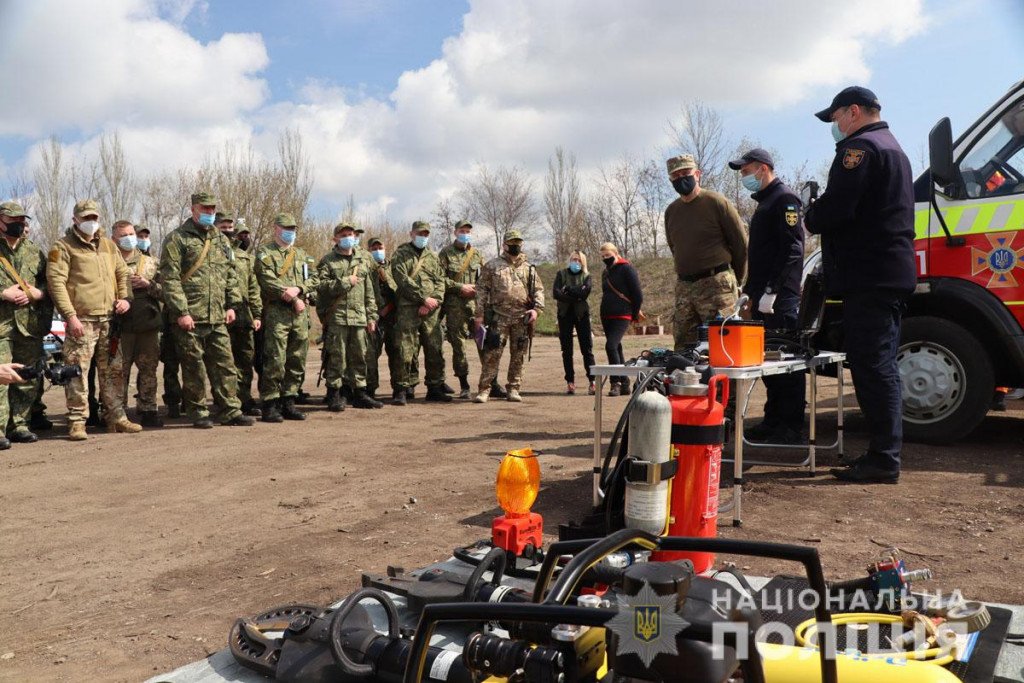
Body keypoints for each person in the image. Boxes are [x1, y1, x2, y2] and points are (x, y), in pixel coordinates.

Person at [805, 86, 916, 484]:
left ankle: (884, 459)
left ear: (853, 112)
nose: (834, 127)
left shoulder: (861, 150)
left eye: (835, 118)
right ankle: (882, 453)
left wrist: (811, 215)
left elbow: (838, 208)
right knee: (879, 363)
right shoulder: (893, 148)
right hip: (885, 274)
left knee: (874, 366)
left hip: (870, 275)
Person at [728, 148, 806, 444]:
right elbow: (760, 256)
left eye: (746, 172)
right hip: (761, 297)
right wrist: (748, 292)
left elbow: (792, 250)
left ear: (762, 168)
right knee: (768, 362)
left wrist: (773, 291)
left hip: (780, 300)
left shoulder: (784, 199)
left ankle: (791, 424)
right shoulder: (765, 203)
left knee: (786, 364)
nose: (744, 177)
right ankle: (774, 420)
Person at [47, 199, 142, 439]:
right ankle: (78, 422)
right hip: (82, 321)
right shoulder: (63, 247)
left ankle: (116, 417)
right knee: (76, 373)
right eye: (86, 218)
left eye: (94, 218)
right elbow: (56, 283)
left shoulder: (109, 246)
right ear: (75, 220)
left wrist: (124, 298)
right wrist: (70, 316)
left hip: (110, 321)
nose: (91, 222)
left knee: (113, 371)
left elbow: (122, 273)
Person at [160, 191, 255, 429]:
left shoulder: (221, 240)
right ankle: (198, 411)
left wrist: (231, 304)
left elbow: (230, 273)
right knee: (194, 367)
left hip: (217, 317)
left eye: (212, 209)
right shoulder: (177, 239)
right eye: (205, 209)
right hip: (190, 317)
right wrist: (182, 311)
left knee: (225, 364)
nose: (210, 213)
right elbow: (169, 279)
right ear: (193, 210)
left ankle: (229, 410)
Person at [664, 153, 748, 349]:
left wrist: (736, 279)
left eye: (686, 173)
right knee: (684, 348)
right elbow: (674, 247)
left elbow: (740, 244)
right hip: (685, 287)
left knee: (723, 346)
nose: (681, 179)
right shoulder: (671, 211)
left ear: (697, 174)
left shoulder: (716, 202)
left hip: (717, 285)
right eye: (675, 176)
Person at [254, 213, 319, 421]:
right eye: (286, 228)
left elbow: (315, 279)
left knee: (296, 359)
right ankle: (270, 404)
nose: (290, 232)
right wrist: (292, 298)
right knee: (275, 359)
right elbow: (267, 281)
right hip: (277, 315)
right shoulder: (265, 253)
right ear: (276, 229)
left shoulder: (303, 256)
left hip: (300, 317)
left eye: (293, 229)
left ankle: (288, 401)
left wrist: (299, 288)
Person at [473, 230, 544, 403]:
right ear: (504, 244)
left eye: (518, 242)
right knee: (492, 354)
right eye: (512, 242)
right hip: (499, 317)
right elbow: (481, 290)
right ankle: (484, 390)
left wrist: (536, 310)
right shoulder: (492, 266)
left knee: (518, 355)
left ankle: (513, 388)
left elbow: (538, 291)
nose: (516, 246)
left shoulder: (529, 268)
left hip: (522, 318)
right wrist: (479, 314)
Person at [317, 223, 382, 410]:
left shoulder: (362, 261)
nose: (348, 237)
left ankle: (360, 393)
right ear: (335, 239)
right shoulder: (328, 261)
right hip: (337, 318)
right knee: (337, 357)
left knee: (360, 356)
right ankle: (334, 394)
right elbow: (321, 287)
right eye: (344, 234)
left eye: (351, 234)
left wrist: (371, 317)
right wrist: (345, 282)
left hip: (359, 317)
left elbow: (368, 292)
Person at [0, 202, 49, 446]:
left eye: (21, 219)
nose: (18, 224)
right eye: (12, 220)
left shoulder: (33, 251)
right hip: (2, 326)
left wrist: (38, 294)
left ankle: (19, 424)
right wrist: (3, 293)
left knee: (27, 377)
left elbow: (49, 284)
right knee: (1, 376)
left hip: (28, 325)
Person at [390, 221, 451, 405]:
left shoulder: (433, 257)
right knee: (405, 350)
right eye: (419, 233)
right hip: (408, 310)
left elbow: (441, 281)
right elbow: (402, 279)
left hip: (431, 311)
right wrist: (423, 298)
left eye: (426, 234)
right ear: (411, 234)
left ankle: (434, 387)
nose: (423, 237)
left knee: (435, 348)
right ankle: (401, 388)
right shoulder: (401, 255)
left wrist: (434, 301)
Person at [112, 220, 164, 428]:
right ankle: (118, 411)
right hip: (120, 327)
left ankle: (149, 408)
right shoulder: (109, 263)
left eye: (131, 233)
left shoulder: (151, 262)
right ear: (114, 239)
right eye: (124, 235)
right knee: (118, 371)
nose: (129, 238)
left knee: (149, 368)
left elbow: (167, 291)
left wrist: (147, 284)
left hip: (147, 326)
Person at [218, 211, 263, 417]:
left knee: (245, 359)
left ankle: (244, 398)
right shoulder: (212, 252)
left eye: (230, 227)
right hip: (220, 314)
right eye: (223, 227)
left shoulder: (244, 256)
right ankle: (224, 401)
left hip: (244, 316)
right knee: (223, 361)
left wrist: (257, 315)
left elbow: (253, 287)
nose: (228, 231)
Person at [439, 220, 484, 398]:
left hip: (476, 306)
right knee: (459, 347)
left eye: (468, 231)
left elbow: (485, 278)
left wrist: (476, 288)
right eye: (462, 230)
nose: (465, 233)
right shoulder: (445, 254)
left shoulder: (477, 254)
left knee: (484, 343)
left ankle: (490, 382)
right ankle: (464, 385)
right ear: (455, 232)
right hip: (455, 306)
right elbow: (439, 279)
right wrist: (460, 287)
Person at [598, 243, 643, 396]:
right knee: (616, 347)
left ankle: (615, 381)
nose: (605, 258)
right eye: (603, 256)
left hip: (623, 314)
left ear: (616, 253)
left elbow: (637, 294)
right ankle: (625, 382)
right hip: (606, 314)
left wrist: (635, 313)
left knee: (610, 346)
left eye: (608, 255)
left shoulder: (627, 268)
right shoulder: (606, 272)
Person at [553, 251, 596, 395]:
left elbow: (585, 293)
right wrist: (576, 295)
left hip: (582, 315)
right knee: (567, 350)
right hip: (564, 315)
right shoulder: (561, 274)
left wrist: (568, 290)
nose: (575, 262)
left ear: (582, 262)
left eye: (578, 260)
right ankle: (570, 381)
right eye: (573, 259)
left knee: (587, 349)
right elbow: (556, 293)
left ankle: (592, 381)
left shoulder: (587, 276)